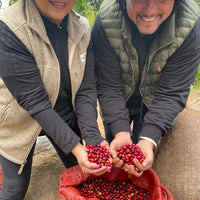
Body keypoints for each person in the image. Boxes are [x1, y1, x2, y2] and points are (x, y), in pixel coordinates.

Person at [0, 0, 110, 199]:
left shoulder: (82, 27)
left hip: (62, 114)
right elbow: (35, 102)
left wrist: (93, 138)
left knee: (84, 172)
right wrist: (76, 147)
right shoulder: (9, 28)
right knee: (14, 188)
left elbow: (85, 88)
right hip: (18, 121)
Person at [92, 0, 200, 177]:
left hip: (156, 100)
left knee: (142, 158)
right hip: (118, 99)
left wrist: (149, 139)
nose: (149, 10)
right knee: (117, 152)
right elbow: (109, 86)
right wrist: (120, 130)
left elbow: (171, 94)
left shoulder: (190, 27)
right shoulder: (106, 20)